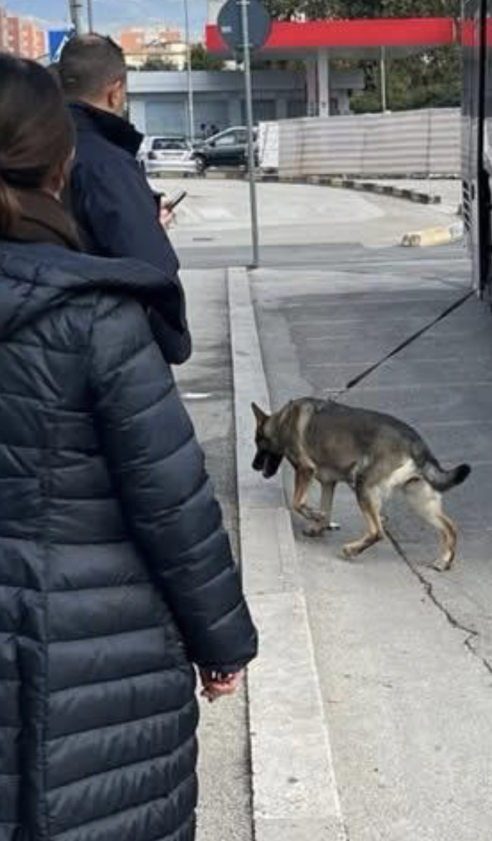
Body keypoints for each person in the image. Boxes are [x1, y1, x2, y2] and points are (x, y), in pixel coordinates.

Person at [0, 55, 258, 841]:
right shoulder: (95, 315)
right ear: (62, 163)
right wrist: (222, 644)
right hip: (94, 662)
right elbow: (171, 500)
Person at [57, 33, 192, 364]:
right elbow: (150, 267)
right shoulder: (107, 164)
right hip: (107, 351)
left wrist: (140, 213)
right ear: (115, 91)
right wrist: (176, 342)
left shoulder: (38, 148)